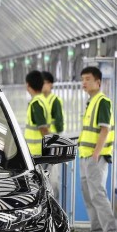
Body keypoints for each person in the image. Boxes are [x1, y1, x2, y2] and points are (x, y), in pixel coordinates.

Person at [77, 66, 117, 232]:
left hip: (95, 157)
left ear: (98, 82)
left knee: (98, 196)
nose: (84, 82)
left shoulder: (102, 101)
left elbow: (105, 129)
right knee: (89, 197)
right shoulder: (91, 101)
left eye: (88, 79)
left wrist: (96, 154)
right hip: (85, 157)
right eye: (82, 79)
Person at [41, 71, 66, 199]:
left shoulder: (54, 101)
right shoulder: (37, 100)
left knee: (52, 182)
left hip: (51, 148)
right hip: (39, 149)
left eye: (43, 82)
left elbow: (60, 126)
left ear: (50, 84)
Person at [23, 70, 49, 158]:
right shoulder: (43, 99)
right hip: (40, 151)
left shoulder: (36, 104)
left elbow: (43, 128)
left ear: (28, 85)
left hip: (37, 152)